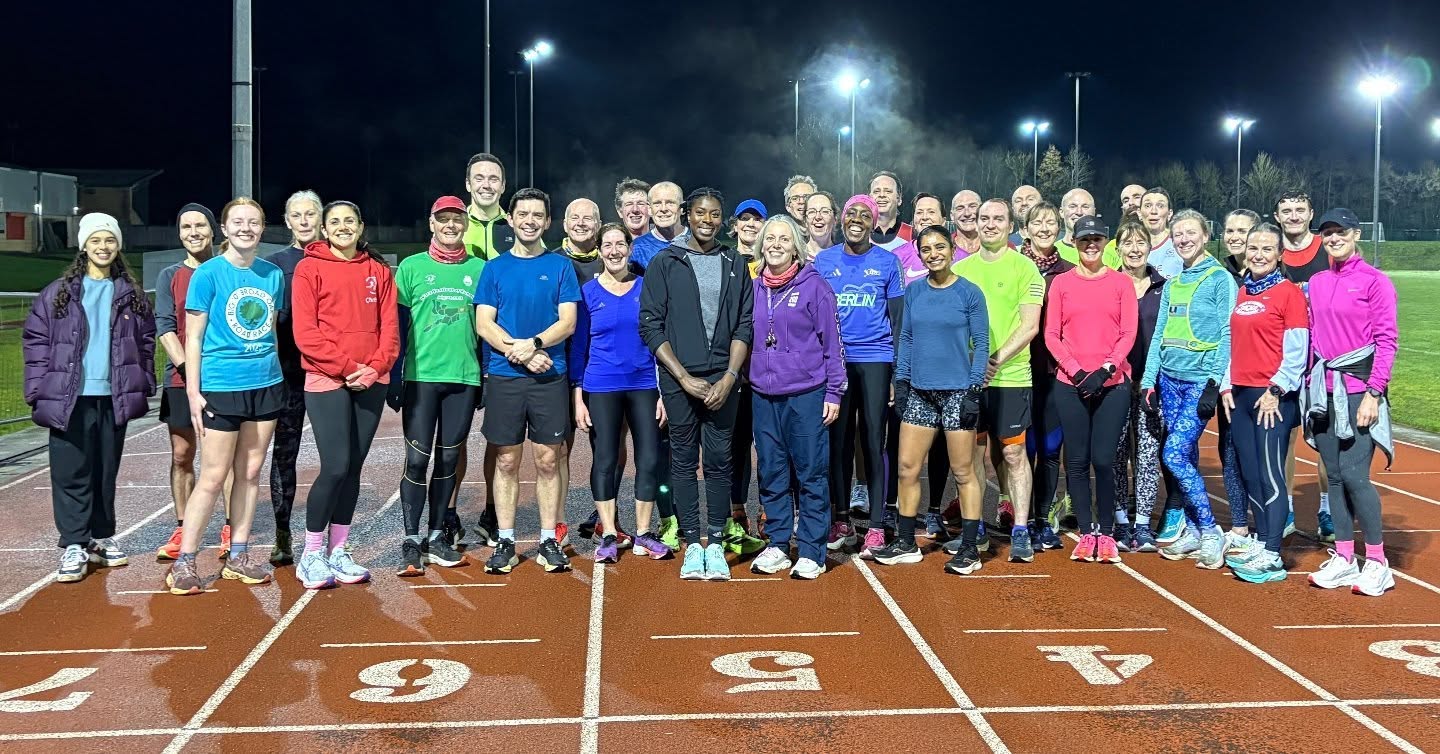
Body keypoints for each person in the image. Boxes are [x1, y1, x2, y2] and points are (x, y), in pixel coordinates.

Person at [24, 213, 155, 583]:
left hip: (111, 396)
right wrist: (36, 390)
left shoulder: (130, 294)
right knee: (70, 472)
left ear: (118, 246)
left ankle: (100, 538)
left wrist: (143, 381)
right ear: (84, 245)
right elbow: (36, 342)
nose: (103, 246)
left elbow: (145, 343)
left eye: (109, 240)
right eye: (96, 240)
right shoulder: (58, 293)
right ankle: (73, 544)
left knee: (104, 471)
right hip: (69, 398)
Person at [165, 198, 285, 595]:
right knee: (214, 476)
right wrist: (194, 392)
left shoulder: (272, 275)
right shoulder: (209, 274)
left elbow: (271, 333)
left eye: (253, 222)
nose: (246, 228)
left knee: (250, 474)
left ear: (262, 228)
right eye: (238, 222)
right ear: (225, 228)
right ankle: (185, 561)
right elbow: (193, 338)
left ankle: (238, 555)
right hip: (221, 387)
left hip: (265, 385)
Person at [639, 187, 755, 581]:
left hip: (723, 380)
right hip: (679, 381)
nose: (707, 220)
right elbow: (650, 324)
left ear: (723, 219)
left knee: (721, 463)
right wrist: (683, 377)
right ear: (688, 215)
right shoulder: (665, 261)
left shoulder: (734, 260)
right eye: (700, 213)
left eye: (715, 214)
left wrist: (730, 376)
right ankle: (692, 544)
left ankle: (718, 544)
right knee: (684, 462)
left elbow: (744, 325)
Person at [290, 201, 400, 588]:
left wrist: (374, 367)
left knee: (353, 468)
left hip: (371, 379)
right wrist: (349, 368)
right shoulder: (309, 268)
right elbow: (306, 334)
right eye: (334, 222)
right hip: (327, 380)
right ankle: (311, 553)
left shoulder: (378, 269)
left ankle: (339, 550)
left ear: (361, 226)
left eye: (348, 221)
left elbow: (390, 330)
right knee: (335, 466)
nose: (342, 227)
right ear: (324, 228)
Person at [475, 188, 581, 575]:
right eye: (523, 214)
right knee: (506, 459)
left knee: (549, 458)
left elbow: (567, 322)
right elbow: (484, 323)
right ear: (512, 219)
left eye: (538, 215)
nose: (530, 221)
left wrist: (535, 345)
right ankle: (504, 539)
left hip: (549, 375)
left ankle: (549, 539)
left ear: (547, 222)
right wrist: (517, 352)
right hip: (506, 376)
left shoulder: (560, 266)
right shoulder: (494, 268)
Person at [873, 226, 988, 574]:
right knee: (907, 469)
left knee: (963, 472)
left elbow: (981, 345)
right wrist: (902, 382)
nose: (933, 253)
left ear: (952, 250)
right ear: (919, 254)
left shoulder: (970, 293)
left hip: (957, 394)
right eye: (926, 249)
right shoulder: (915, 292)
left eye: (940, 247)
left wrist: (973, 392)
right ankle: (907, 542)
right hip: (920, 393)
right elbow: (906, 338)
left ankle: (970, 549)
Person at [388, 196, 485, 576]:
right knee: (417, 459)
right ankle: (411, 539)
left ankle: (437, 534)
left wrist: (487, 378)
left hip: (464, 378)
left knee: (448, 460)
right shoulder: (411, 268)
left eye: (456, 220)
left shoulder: (480, 269)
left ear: (464, 225)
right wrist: (395, 377)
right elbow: (396, 327)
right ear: (432, 223)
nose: (450, 226)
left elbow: (487, 327)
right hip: (421, 378)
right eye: (443, 220)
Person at [1303, 208, 1397, 597]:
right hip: (1323, 393)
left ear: (1356, 234)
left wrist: (1374, 393)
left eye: (1340, 231)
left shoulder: (1376, 281)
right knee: (1336, 477)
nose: (1333, 238)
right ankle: (1344, 557)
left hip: (1359, 390)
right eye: (1327, 233)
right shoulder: (1318, 281)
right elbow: (1312, 338)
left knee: (1357, 476)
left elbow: (1387, 340)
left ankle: (1377, 562)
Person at [747, 214, 844, 579]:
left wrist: (834, 390)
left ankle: (812, 550)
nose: (775, 244)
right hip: (763, 394)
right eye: (769, 238)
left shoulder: (815, 286)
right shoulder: (753, 286)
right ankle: (777, 544)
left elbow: (833, 344)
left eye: (783, 239)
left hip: (806, 393)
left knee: (810, 473)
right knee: (771, 471)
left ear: (796, 246)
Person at [1139, 209, 1237, 570]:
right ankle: (1195, 530)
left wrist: (1214, 383)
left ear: (1205, 234)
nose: (1183, 239)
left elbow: (1228, 333)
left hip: (1198, 383)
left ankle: (1211, 531)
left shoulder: (1219, 279)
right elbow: (1159, 335)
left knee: (1174, 455)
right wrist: (1149, 381)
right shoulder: (1174, 282)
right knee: (1188, 455)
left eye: (1190, 233)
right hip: (1168, 381)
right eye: (1178, 234)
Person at [572, 223, 672, 563]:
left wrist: (663, 392)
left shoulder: (647, 288)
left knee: (648, 459)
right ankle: (610, 532)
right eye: (607, 245)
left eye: (620, 244)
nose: (614, 251)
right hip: (601, 386)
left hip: (644, 384)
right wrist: (576, 398)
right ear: (599, 251)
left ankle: (643, 533)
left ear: (629, 248)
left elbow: (661, 340)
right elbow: (579, 349)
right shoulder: (587, 293)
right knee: (605, 459)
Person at [812, 195, 905, 557]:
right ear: (842, 219)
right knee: (838, 442)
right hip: (835, 362)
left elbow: (897, 321)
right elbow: (815, 315)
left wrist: (898, 373)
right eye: (851, 212)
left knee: (872, 441)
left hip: (876, 360)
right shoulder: (824, 260)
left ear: (873, 222)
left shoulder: (887, 261)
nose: (857, 219)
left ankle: (878, 525)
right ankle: (840, 518)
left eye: (865, 214)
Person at [952, 198, 1044, 560]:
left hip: (1012, 377)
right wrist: (972, 363)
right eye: (984, 218)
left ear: (1011, 225)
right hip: (970, 379)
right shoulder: (962, 269)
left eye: (998, 219)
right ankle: (974, 531)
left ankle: (1020, 530)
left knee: (1013, 452)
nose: (990, 224)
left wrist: (994, 359)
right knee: (971, 454)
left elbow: (1031, 325)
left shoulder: (1026, 269)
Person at [1044, 216, 1138, 563]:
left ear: (1105, 241)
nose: (1091, 245)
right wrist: (1077, 371)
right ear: (1074, 242)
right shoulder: (1062, 284)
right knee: (1078, 461)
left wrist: (1106, 369)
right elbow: (1052, 334)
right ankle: (1086, 532)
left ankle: (1108, 533)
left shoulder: (1121, 283)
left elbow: (1128, 332)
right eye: (1084, 240)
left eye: (1097, 238)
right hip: (1071, 384)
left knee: (1105, 459)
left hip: (1111, 384)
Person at [1220, 222, 1308, 584]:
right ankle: (1260, 540)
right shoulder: (1244, 290)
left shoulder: (1289, 294)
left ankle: (1273, 553)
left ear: (1279, 254)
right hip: (1240, 395)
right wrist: (1227, 385)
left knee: (1271, 476)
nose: (1258, 254)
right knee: (1249, 473)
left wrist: (1277, 390)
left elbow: (1297, 349)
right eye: (1253, 247)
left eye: (1266, 248)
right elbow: (1235, 343)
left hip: (1271, 398)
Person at [154, 204, 233, 562]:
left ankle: (232, 526)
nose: (193, 232)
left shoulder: (227, 270)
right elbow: (165, 327)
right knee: (182, 454)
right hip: (181, 377)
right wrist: (189, 369)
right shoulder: (170, 275)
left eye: (200, 225)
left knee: (225, 458)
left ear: (213, 229)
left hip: (224, 378)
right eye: (186, 226)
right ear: (179, 233)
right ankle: (184, 525)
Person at [265, 189, 323, 565]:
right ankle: (282, 533)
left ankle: (333, 533)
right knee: (284, 455)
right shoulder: (274, 266)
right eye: (296, 215)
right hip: (287, 376)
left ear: (320, 218)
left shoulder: (337, 259)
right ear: (287, 221)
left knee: (337, 456)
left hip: (327, 374)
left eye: (310, 215)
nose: (304, 221)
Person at [1016, 202, 1074, 551]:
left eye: (1050, 222)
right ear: (1025, 228)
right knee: (1023, 449)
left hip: (1055, 373)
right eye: (1036, 222)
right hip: (1018, 372)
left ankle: (1042, 520)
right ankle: (1021, 518)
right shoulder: (1015, 265)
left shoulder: (1069, 272)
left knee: (1050, 449)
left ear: (1059, 228)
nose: (1043, 227)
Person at [1276, 190, 1333, 540]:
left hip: (1323, 359)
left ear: (1311, 214)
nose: (1294, 216)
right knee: (1286, 436)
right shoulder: (1272, 252)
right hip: (1283, 359)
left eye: (1300, 210)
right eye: (1287, 210)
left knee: (1325, 437)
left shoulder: (1327, 251)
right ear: (1277, 215)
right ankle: (1286, 509)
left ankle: (1327, 509)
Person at [1112, 219, 1168, 552]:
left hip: (1151, 385)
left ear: (1150, 246)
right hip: (1116, 383)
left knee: (1147, 455)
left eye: (1140, 242)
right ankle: (1120, 520)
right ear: (1117, 248)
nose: (1134, 249)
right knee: (1117, 452)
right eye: (1128, 243)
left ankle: (1143, 523)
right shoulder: (1107, 283)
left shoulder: (1165, 286)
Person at [1215, 209, 1262, 546]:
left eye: (1242, 230)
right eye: (1229, 229)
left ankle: (1266, 524)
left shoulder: (1268, 277)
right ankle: (1239, 526)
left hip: (1260, 380)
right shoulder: (1222, 274)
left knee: (1258, 455)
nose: (1234, 236)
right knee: (1229, 450)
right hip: (1228, 379)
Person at [725, 200, 769, 552]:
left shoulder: (773, 263)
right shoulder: (725, 261)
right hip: (735, 371)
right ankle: (736, 513)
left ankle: (769, 511)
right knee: (737, 446)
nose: (751, 225)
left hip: (769, 369)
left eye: (757, 220)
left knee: (769, 445)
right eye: (745, 219)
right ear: (735, 225)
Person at [462, 152, 516, 260]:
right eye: (479, 179)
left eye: (493, 179)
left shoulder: (518, 227)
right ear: (468, 184)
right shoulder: (454, 227)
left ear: (503, 186)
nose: (486, 185)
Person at [631, 181, 687, 270]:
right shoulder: (638, 248)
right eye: (657, 203)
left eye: (670, 203)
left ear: (682, 208)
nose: (663, 208)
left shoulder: (697, 240)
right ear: (649, 209)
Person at [1139, 188, 1183, 278]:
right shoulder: (1129, 247)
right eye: (1147, 206)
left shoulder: (1182, 243)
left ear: (1169, 214)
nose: (1153, 211)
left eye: (1160, 206)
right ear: (1139, 213)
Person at [869, 171, 913, 245]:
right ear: (869, 198)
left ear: (899, 199)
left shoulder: (912, 233)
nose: (882, 195)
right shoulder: (860, 233)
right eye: (876, 191)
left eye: (888, 191)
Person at [803, 191, 838, 261]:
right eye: (811, 212)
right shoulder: (795, 257)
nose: (818, 217)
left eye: (825, 211)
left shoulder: (844, 258)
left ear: (835, 219)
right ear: (805, 221)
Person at [949, 189, 981, 257]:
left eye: (972, 206)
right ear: (952, 216)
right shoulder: (942, 247)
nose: (967, 213)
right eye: (960, 208)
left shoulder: (1001, 247)